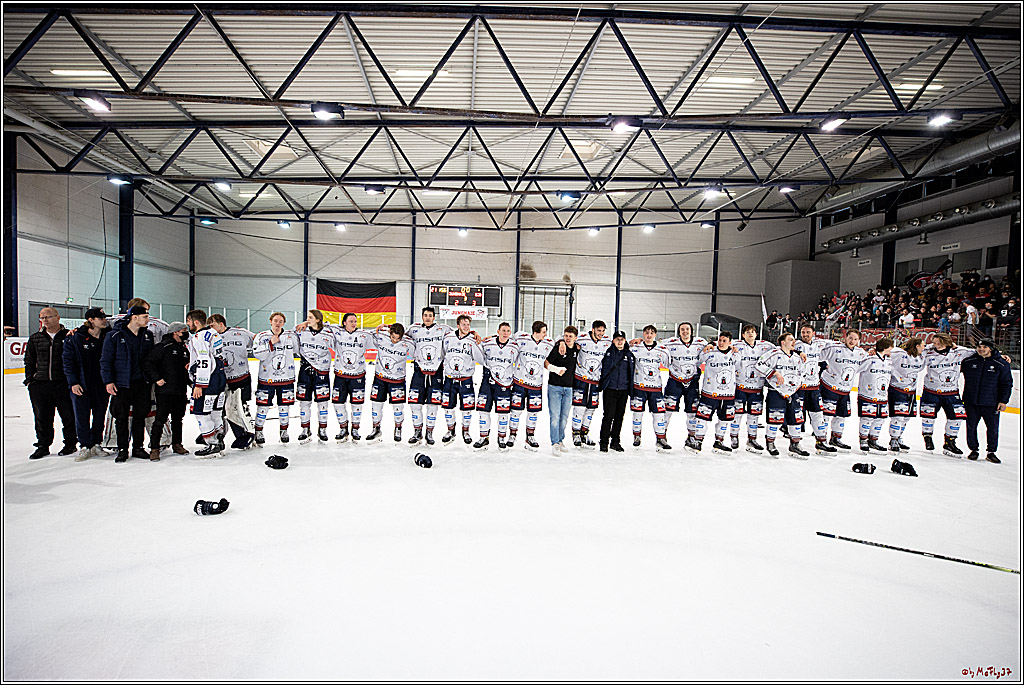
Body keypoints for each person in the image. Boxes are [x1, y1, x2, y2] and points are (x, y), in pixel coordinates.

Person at [100, 305, 155, 462]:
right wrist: (108, 381)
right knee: (122, 417)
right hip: (121, 384)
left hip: (142, 383)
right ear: (134, 317)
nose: (147, 319)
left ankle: (138, 447)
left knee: (140, 416)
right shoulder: (114, 335)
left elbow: (149, 359)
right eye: (145, 316)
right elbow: (106, 361)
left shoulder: (147, 335)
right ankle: (122, 448)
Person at [25, 307, 77, 459]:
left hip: (62, 383)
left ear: (58, 317)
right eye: (42, 317)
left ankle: (70, 443)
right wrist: (30, 380)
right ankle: (43, 445)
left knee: (68, 416)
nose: (45, 320)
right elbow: (29, 360)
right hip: (40, 385)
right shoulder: (35, 338)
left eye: (48, 316)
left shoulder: (69, 336)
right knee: (42, 417)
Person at [63, 308, 111, 462]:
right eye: (100, 318)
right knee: (82, 416)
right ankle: (85, 445)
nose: (104, 320)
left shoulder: (107, 336)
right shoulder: (76, 337)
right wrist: (74, 382)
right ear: (91, 320)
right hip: (82, 384)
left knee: (99, 416)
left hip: (101, 384)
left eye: (104, 318)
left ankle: (96, 443)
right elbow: (68, 362)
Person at [753, 332, 809, 458]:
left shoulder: (797, 358)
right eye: (791, 340)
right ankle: (771, 443)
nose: (794, 342)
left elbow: (803, 372)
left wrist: (797, 384)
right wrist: (774, 373)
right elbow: (759, 365)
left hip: (793, 393)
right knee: (775, 419)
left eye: (794, 340)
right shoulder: (774, 354)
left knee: (796, 419)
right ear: (783, 342)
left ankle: (795, 444)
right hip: (776, 392)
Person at [919, 333, 976, 457]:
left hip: (951, 392)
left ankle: (950, 442)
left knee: (957, 417)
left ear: (947, 342)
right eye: (934, 342)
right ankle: (928, 437)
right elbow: (916, 362)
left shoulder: (959, 351)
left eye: (939, 343)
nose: (936, 345)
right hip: (931, 390)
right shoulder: (928, 351)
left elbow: (980, 353)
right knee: (928, 416)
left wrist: (1000, 356)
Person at [142, 321, 191, 460]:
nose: (185, 333)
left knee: (178, 420)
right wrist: (157, 378)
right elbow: (148, 363)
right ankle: (154, 448)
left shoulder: (183, 349)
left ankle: (177, 444)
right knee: (160, 420)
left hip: (180, 391)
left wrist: (192, 384)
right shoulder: (162, 347)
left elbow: (185, 370)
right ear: (175, 332)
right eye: (183, 331)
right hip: (165, 391)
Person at [324, 312, 375, 442]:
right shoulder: (337, 332)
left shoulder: (363, 335)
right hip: (340, 375)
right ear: (344, 322)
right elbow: (320, 325)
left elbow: (378, 337)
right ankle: (343, 427)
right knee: (338, 403)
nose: (354, 323)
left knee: (356, 404)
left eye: (355, 321)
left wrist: (381, 328)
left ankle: (355, 429)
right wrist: (306, 323)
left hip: (358, 375)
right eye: (351, 321)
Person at [960, 338, 1012, 464]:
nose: (981, 349)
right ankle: (973, 450)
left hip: (991, 403)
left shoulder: (1001, 364)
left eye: (984, 347)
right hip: (971, 401)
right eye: (979, 347)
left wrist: (1003, 401)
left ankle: (991, 452)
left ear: (991, 348)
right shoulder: (968, 361)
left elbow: (1007, 383)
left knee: (993, 428)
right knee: (971, 427)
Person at [208, 314, 256, 450]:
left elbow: (259, 342)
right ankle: (219, 435)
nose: (211, 329)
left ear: (221, 324)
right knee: (221, 409)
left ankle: (248, 434)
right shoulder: (210, 338)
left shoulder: (241, 333)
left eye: (213, 325)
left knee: (240, 408)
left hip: (241, 378)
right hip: (221, 380)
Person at [406, 307, 453, 445]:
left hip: (436, 372)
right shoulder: (414, 329)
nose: (427, 318)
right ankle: (417, 432)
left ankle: (429, 433)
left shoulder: (443, 329)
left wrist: (474, 333)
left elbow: (460, 334)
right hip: (419, 371)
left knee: (433, 405)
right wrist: (384, 327)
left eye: (430, 315)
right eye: (425, 315)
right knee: (415, 404)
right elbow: (398, 333)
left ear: (434, 317)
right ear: (422, 317)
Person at [688, 331, 739, 454]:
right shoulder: (710, 351)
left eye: (724, 341)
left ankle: (719, 442)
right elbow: (698, 362)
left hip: (728, 394)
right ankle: (698, 441)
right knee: (702, 418)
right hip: (710, 392)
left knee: (725, 419)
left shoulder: (735, 354)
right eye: (720, 340)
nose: (721, 343)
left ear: (730, 342)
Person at [252, 312, 299, 444]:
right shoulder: (262, 336)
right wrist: (270, 344)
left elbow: (299, 351)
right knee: (263, 407)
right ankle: (259, 431)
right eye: (275, 321)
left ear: (283, 323)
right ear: (270, 321)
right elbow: (257, 354)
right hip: (267, 380)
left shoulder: (290, 336)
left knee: (284, 407)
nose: (277, 323)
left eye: (280, 321)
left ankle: (284, 431)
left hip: (286, 379)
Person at [186, 309, 228, 458]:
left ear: (196, 322)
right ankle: (218, 440)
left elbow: (205, 360)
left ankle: (212, 443)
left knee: (201, 413)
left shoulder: (200, 336)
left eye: (189, 322)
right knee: (216, 412)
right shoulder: (214, 333)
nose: (188, 325)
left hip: (208, 380)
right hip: (220, 377)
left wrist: (199, 384)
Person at [508, 321, 555, 451]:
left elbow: (560, 342)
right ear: (536, 332)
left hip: (536, 385)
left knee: (533, 412)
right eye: (543, 332)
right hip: (519, 383)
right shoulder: (521, 338)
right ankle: (512, 435)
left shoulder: (548, 343)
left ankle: (530, 436)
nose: (545, 334)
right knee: (516, 411)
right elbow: (504, 339)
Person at [819, 329, 868, 451]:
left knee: (841, 415)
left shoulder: (861, 353)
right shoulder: (834, 348)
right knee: (826, 414)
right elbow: (817, 356)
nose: (852, 341)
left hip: (845, 389)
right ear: (845, 338)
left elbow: (866, 364)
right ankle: (821, 439)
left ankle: (836, 438)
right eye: (850, 338)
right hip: (829, 386)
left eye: (855, 339)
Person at [367, 322, 416, 442]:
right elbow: (368, 335)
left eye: (397, 339)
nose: (395, 340)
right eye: (393, 337)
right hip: (380, 378)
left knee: (398, 407)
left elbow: (416, 353)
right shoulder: (382, 335)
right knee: (376, 405)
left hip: (397, 381)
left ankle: (398, 428)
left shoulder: (408, 343)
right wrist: (384, 326)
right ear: (390, 333)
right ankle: (376, 428)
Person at [440, 315, 485, 445]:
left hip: (466, 380)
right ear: (458, 325)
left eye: (468, 325)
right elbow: (443, 354)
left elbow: (480, 359)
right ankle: (450, 430)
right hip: (449, 379)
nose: (466, 327)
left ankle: (466, 431)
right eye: (463, 324)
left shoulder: (472, 340)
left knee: (467, 408)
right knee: (448, 407)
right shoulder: (448, 337)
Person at [661, 322, 707, 445]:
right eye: (682, 329)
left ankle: (691, 437)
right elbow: (653, 344)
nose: (685, 331)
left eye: (687, 329)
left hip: (692, 382)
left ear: (691, 331)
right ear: (679, 332)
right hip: (674, 382)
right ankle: (661, 436)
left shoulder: (701, 342)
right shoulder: (670, 342)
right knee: (667, 411)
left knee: (692, 412)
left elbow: (714, 346)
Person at [474, 322, 519, 451]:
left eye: (508, 331)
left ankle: (501, 438)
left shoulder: (514, 346)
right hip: (487, 382)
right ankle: (484, 438)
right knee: (483, 411)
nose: (505, 333)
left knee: (503, 413)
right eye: (503, 330)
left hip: (504, 384)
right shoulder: (488, 343)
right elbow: (476, 345)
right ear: (498, 331)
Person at [794, 324, 837, 455]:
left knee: (818, 415)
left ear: (813, 333)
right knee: (797, 416)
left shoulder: (819, 343)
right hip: (799, 387)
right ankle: (795, 443)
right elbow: (786, 349)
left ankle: (821, 442)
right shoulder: (796, 345)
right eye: (803, 332)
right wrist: (798, 352)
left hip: (814, 387)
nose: (805, 334)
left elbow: (837, 344)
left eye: (808, 332)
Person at [731, 324, 775, 453]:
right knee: (737, 414)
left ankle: (752, 439)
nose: (750, 334)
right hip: (740, 387)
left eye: (753, 332)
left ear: (756, 334)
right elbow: (721, 345)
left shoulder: (765, 346)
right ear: (743, 335)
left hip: (757, 388)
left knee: (754, 416)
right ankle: (734, 436)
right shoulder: (737, 345)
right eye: (747, 332)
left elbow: (780, 350)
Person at [294, 309, 335, 444]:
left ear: (318, 319)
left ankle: (322, 429)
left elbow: (339, 332)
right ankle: (305, 429)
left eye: (311, 317)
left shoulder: (327, 332)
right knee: (304, 403)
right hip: (305, 371)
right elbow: (289, 334)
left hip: (321, 372)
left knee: (322, 403)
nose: (307, 319)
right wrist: (305, 322)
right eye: (307, 317)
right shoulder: (301, 331)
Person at [630, 325, 671, 452]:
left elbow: (669, 364)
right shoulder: (635, 347)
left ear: (655, 335)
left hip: (655, 388)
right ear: (643, 334)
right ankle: (637, 436)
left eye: (652, 333)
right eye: (646, 332)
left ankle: (661, 438)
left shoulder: (662, 350)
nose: (649, 335)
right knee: (637, 414)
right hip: (639, 387)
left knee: (659, 414)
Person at [571, 320, 611, 449]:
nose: (601, 333)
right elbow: (565, 338)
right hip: (581, 379)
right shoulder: (582, 338)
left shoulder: (606, 342)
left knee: (591, 409)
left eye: (603, 331)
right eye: (599, 330)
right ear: (593, 329)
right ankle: (576, 433)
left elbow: (620, 344)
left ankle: (584, 433)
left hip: (595, 381)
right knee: (579, 408)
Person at [597, 330, 634, 453]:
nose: (619, 341)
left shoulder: (629, 355)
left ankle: (615, 441)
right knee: (608, 416)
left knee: (619, 417)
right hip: (610, 389)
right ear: (613, 341)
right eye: (617, 339)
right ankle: (604, 442)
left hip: (623, 390)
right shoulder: (607, 352)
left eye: (621, 339)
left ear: (625, 340)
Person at [887, 337, 926, 452]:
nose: (924, 348)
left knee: (906, 417)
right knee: (898, 416)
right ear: (917, 346)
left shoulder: (920, 358)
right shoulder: (899, 353)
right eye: (923, 345)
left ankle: (898, 437)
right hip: (897, 389)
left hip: (911, 391)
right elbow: (885, 352)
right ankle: (893, 438)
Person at [545, 325, 579, 455]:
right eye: (566, 336)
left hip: (569, 388)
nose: (568, 338)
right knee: (555, 416)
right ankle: (554, 443)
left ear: (575, 338)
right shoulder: (558, 348)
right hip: (554, 387)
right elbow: (546, 363)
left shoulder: (576, 348)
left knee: (564, 417)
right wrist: (555, 369)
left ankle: (560, 440)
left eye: (570, 336)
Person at [855, 338, 893, 453]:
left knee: (880, 419)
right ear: (886, 348)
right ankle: (863, 440)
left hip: (882, 396)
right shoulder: (870, 359)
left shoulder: (889, 361)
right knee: (867, 418)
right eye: (891, 347)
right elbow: (856, 369)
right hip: (867, 394)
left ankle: (873, 440)